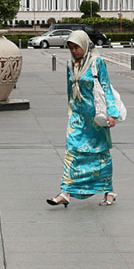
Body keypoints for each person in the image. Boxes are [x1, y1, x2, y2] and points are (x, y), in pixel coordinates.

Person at [47, 30, 121, 207]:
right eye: (71, 48)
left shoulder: (97, 62)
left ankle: (108, 191)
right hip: (77, 118)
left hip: (96, 118)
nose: (73, 51)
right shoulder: (71, 65)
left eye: (76, 47)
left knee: (100, 154)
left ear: (85, 45)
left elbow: (106, 88)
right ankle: (66, 192)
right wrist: (70, 111)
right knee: (71, 152)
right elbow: (70, 91)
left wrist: (112, 114)